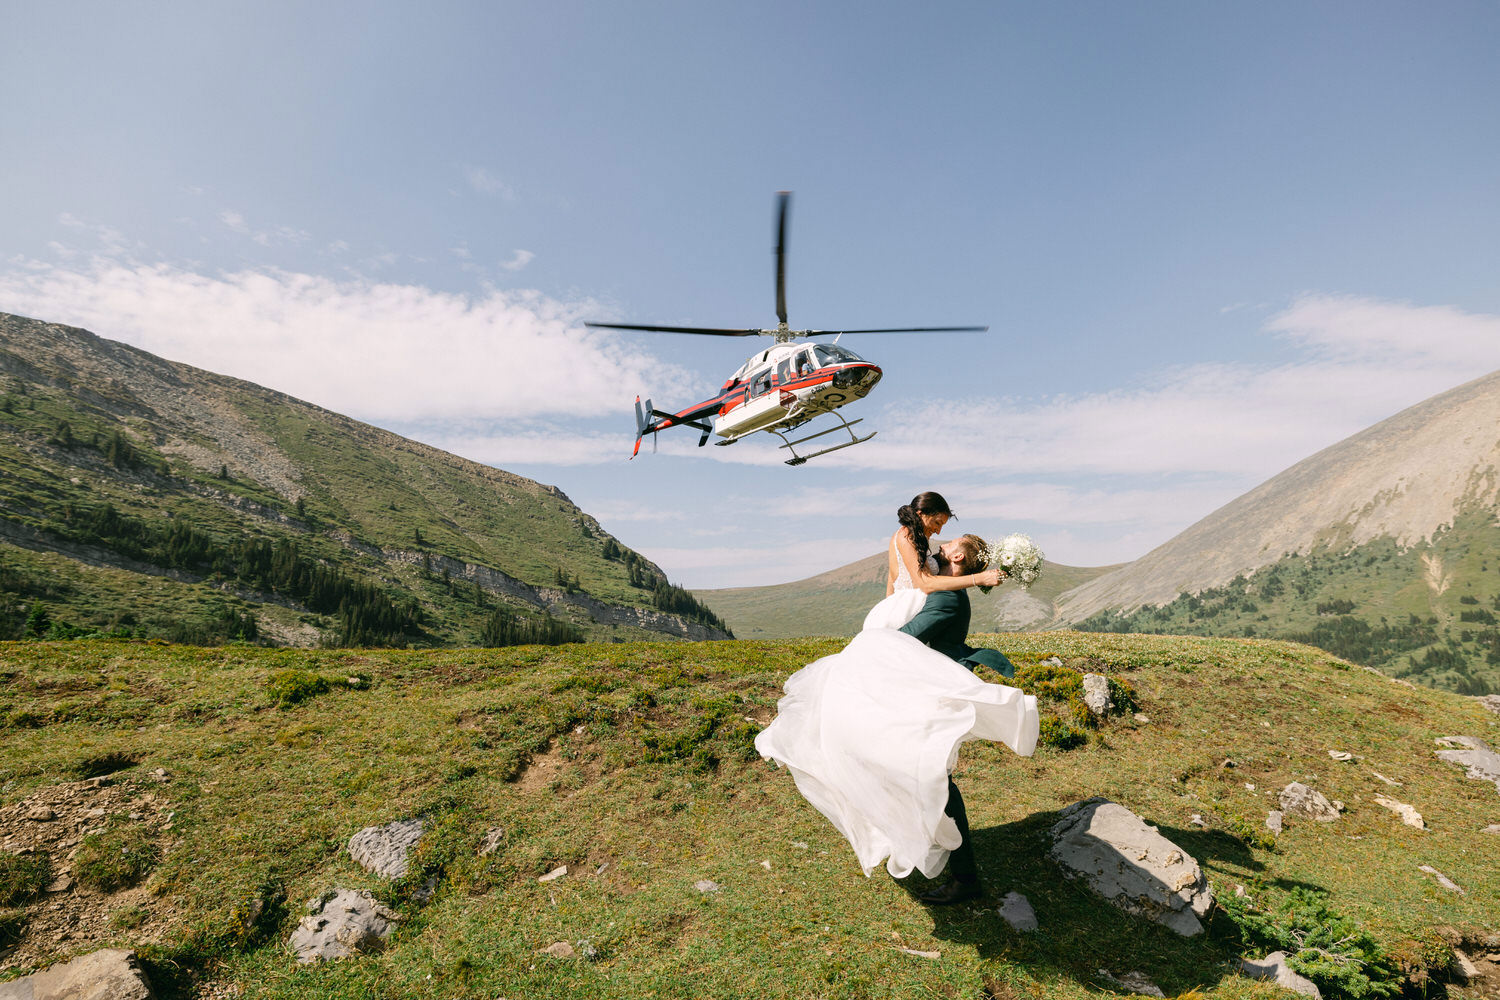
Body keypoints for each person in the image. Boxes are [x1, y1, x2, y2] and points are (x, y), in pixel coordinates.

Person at [755, 517, 1039, 904]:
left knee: (934, 780)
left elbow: (904, 640)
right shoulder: (947, 592)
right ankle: (933, 852)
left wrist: (863, 647)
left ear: (957, 556)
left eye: (948, 544)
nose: (940, 548)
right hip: (919, 693)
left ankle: (965, 875)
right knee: (918, 775)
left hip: (924, 699)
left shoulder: (947, 597)